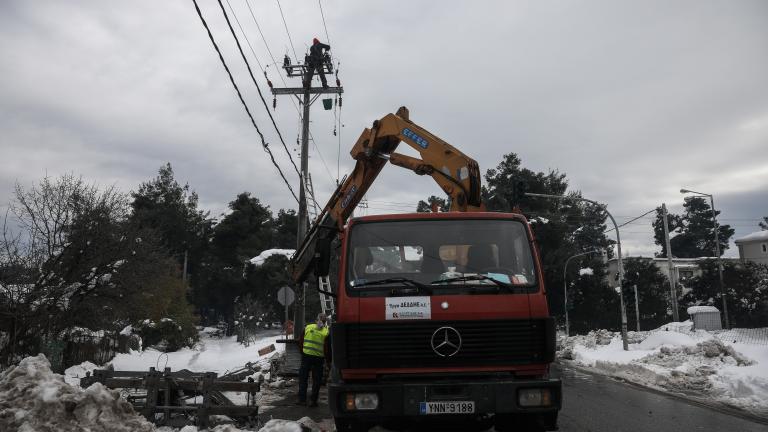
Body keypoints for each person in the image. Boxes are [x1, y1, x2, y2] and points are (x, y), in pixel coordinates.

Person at [297, 313, 330, 407]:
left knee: (303, 378)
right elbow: (326, 349)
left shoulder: (307, 327)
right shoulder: (326, 332)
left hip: (306, 356)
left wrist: (302, 352)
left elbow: (301, 341)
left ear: (316, 320)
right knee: (317, 380)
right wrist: (328, 361)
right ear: (325, 322)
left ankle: (302, 400)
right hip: (318, 359)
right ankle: (313, 401)